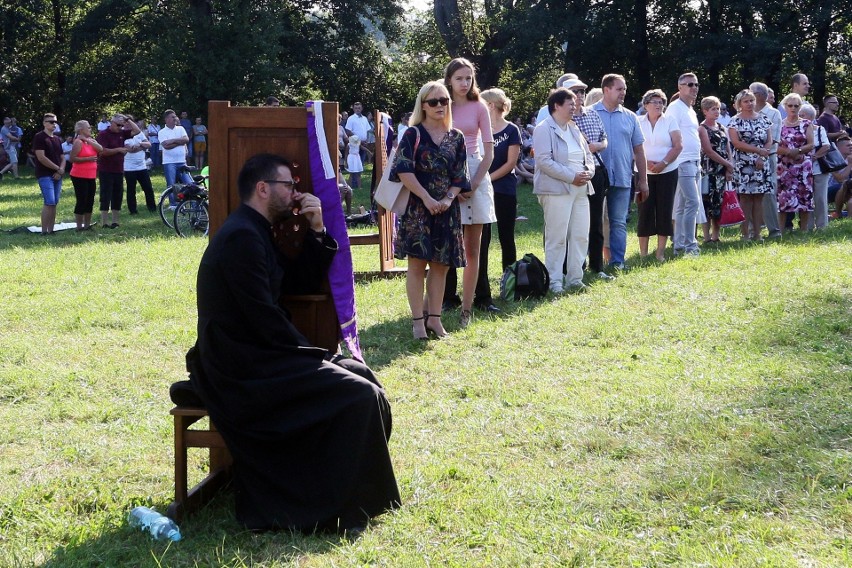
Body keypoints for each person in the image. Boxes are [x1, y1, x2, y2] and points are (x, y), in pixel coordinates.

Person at [190, 152, 399, 534]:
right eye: (289, 185)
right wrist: (316, 358)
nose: (295, 193)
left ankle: (358, 497)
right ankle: (334, 507)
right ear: (263, 188)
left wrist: (317, 229)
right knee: (357, 395)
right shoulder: (241, 237)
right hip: (242, 367)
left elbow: (295, 285)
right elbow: (262, 321)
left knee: (362, 375)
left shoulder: (256, 231)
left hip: (260, 354)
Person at [391, 80, 469, 339]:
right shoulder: (412, 134)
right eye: (433, 101)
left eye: (444, 100)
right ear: (422, 105)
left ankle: (434, 319)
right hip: (418, 209)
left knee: (441, 266)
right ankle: (417, 321)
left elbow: (460, 176)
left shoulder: (456, 137)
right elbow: (403, 170)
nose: (439, 106)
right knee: (417, 265)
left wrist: (447, 199)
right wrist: (426, 198)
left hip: (447, 211)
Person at [442, 57, 496, 325]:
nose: (464, 83)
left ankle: (467, 309)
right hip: (445, 173)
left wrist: (471, 184)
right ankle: (437, 306)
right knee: (444, 246)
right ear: (449, 80)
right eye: (459, 78)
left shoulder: (480, 107)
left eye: (468, 78)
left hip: (475, 172)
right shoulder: (441, 104)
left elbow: (489, 151)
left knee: (473, 250)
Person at [534, 87, 595, 293]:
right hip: (556, 190)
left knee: (580, 235)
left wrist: (588, 173)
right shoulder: (544, 128)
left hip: (581, 189)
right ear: (556, 106)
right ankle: (554, 281)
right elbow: (543, 161)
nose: (575, 107)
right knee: (557, 237)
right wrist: (571, 176)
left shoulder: (574, 128)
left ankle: (575, 279)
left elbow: (588, 156)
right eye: (570, 104)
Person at [593, 73, 649, 270]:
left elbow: (639, 150)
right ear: (606, 90)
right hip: (595, 178)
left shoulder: (630, 117)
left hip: (623, 176)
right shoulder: (590, 113)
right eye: (619, 88)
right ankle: (595, 262)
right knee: (594, 221)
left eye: (624, 88)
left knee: (618, 222)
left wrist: (643, 180)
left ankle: (618, 262)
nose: (623, 92)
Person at [567, 78, 613, 280]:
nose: (580, 96)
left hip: (595, 172)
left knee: (596, 220)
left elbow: (604, 139)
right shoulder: (563, 119)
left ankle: (597, 266)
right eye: (575, 91)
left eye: (582, 91)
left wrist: (598, 145)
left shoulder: (593, 114)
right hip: (572, 175)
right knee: (574, 222)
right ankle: (576, 265)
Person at [637, 89, 682, 261]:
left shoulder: (670, 120)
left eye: (661, 102)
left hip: (668, 171)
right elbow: (634, 146)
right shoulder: (638, 121)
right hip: (643, 172)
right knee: (644, 210)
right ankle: (643, 254)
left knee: (665, 209)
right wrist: (646, 163)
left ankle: (660, 253)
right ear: (646, 105)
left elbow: (678, 145)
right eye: (654, 102)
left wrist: (663, 163)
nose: (658, 105)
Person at [480, 88, 520, 280]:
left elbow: (511, 163)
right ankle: (482, 282)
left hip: (504, 190)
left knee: (506, 237)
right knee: (482, 240)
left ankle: (510, 280)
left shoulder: (512, 130)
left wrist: (486, 178)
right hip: (482, 191)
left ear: (491, 105)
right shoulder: (479, 130)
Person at [728, 89, 774, 241]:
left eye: (752, 100)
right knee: (745, 199)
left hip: (762, 163)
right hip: (743, 163)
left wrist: (763, 154)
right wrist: (758, 151)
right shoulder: (735, 120)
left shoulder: (764, 119)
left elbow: (769, 140)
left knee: (758, 199)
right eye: (746, 101)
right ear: (739, 103)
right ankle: (745, 233)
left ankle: (758, 233)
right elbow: (736, 143)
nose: (749, 104)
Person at [667, 73, 702, 257]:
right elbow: (670, 135)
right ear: (680, 87)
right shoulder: (675, 108)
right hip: (682, 161)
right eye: (689, 84)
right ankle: (690, 245)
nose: (694, 87)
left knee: (682, 205)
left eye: (696, 84)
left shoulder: (690, 109)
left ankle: (679, 244)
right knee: (692, 202)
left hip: (693, 161)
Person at [776, 93, 814, 232]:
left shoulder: (806, 124)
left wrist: (797, 150)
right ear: (784, 106)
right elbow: (773, 145)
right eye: (790, 105)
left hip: (803, 166)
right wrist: (787, 152)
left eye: (796, 105)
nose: (793, 108)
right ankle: (780, 230)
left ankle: (804, 229)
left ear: (800, 107)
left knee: (804, 197)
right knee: (783, 198)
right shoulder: (779, 124)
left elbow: (811, 144)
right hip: (784, 167)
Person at [698, 96, 734, 243]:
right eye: (713, 109)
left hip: (721, 170)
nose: (717, 111)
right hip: (708, 170)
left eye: (718, 108)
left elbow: (728, 148)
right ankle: (706, 236)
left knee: (718, 201)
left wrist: (729, 165)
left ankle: (716, 235)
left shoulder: (722, 127)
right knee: (707, 202)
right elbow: (708, 151)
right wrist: (727, 163)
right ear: (705, 111)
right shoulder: (702, 128)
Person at [96, 113, 141, 228]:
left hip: (118, 169)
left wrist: (127, 119)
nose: (120, 127)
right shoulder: (103, 134)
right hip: (106, 169)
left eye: (122, 125)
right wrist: (118, 150)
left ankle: (115, 221)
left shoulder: (122, 133)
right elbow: (102, 151)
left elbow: (137, 131)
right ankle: (104, 222)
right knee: (105, 195)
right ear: (111, 123)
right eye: (118, 125)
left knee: (118, 195)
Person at [750, 82, 783, 238]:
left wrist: (761, 156)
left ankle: (774, 230)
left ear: (760, 96)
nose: (748, 96)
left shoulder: (773, 113)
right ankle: (752, 230)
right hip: (748, 159)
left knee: (769, 193)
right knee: (749, 193)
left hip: (768, 158)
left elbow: (774, 139)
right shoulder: (745, 113)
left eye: (751, 93)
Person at [33, 113, 66, 235]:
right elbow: (41, 157)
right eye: (51, 122)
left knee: (55, 202)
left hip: (58, 175)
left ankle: (51, 230)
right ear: (44, 123)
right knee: (49, 201)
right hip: (45, 174)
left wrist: (61, 170)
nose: (54, 124)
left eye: (55, 122)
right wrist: (58, 169)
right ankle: (44, 231)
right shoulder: (39, 137)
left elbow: (62, 157)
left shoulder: (57, 139)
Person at [800, 104, 832, 230]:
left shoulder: (819, 129)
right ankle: (807, 226)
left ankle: (822, 225)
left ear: (811, 117)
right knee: (806, 197)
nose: (800, 117)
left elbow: (826, 146)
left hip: (819, 169)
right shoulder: (798, 130)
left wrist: (813, 157)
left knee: (820, 198)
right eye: (800, 115)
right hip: (802, 169)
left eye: (803, 115)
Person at [69, 120, 103, 231]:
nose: (90, 129)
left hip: (91, 175)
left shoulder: (91, 140)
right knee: (81, 200)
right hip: (79, 175)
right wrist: (87, 159)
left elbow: (100, 149)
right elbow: (72, 158)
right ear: (81, 130)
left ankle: (87, 225)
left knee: (90, 200)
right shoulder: (78, 142)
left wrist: (87, 140)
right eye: (88, 128)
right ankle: (79, 226)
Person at [124, 117, 156, 214]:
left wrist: (139, 144)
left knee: (148, 188)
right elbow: (129, 149)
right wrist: (141, 147)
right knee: (131, 190)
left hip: (142, 166)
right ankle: (133, 211)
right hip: (129, 167)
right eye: (126, 123)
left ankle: (152, 208)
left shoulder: (139, 133)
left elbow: (149, 144)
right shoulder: (122, 134)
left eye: (130, 122)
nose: (129, 124)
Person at [159, 109, 192, 201]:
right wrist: (179, 142)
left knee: (189, 183)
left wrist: (172, 141)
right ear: (167, 119)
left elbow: (186, 140)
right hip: (169, 162)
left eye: (175, 117)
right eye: (173, 117)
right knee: (171, 184)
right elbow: (166, 146)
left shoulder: (181, 129)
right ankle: (173, 204)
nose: (175, 118)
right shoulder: (161, 132)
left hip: (182, 161)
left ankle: (194, 202)